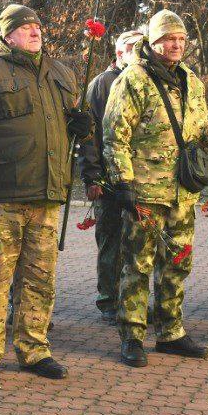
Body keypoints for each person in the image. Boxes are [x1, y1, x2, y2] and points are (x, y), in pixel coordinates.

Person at [0, 4, 90, 389]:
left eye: (37, 26)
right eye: (25, 27)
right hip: (2, 197)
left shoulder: (61, 73)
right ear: (7, 35)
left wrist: (84, 126)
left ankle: (34, 349)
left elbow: (72, 127)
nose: (34, 31)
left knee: (39, 280)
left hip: (47, 195)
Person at [103, 10, 208, 367]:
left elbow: (196, 136)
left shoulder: (193, 82)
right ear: (153, 41)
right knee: (137, 265)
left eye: (181, 39)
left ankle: (171, 332)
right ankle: (133, 335)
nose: (176, 45)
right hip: (144, 192)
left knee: (177, 263)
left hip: (182, 192)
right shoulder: (133, 79)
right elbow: (115, 135)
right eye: (169, 39)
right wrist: (122, 182)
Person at [77, 29, 142, 322]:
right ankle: (109, 299)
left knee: (136, 243)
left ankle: (131, 298)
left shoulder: (144, 80)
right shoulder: (102, 84)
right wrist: (92, 176)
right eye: (133, 47)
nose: (139, 52)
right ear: (119, 53)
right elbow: (90, 135)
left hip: (139, 176)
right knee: (111, 241)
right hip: (108, 176)